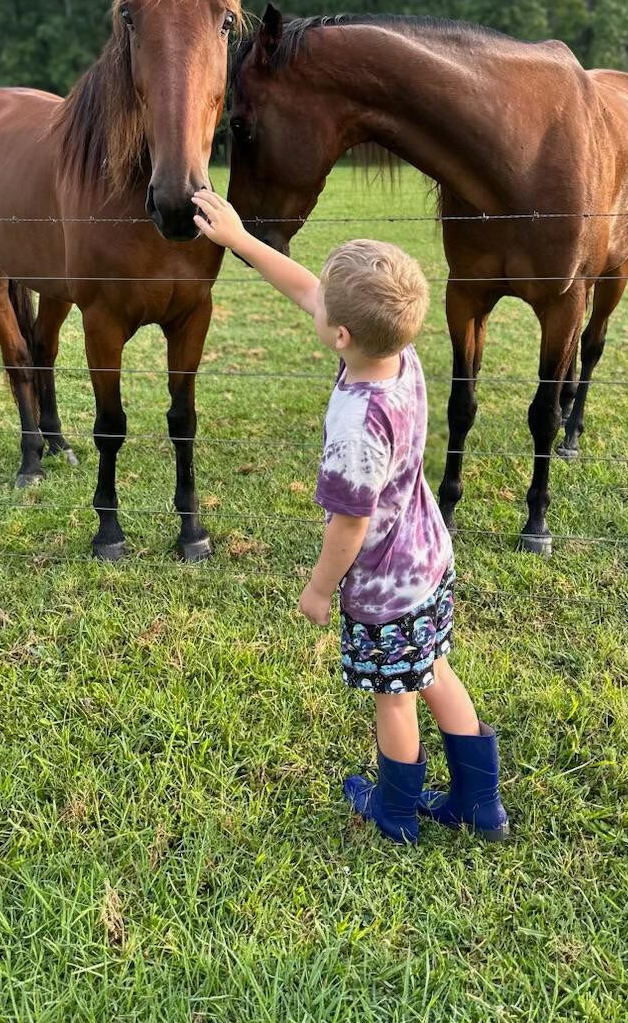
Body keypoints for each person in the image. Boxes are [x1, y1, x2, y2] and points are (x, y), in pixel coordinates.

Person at [192, 189, 509, 845]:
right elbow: (311, 289)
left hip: (386, 585)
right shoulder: (400, 354)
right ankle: (481, 806)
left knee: (395, 695)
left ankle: (395, 813)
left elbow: (349, 526)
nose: (315, 304)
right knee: (436, 672)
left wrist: (317, 589)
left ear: (341, 336)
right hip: (429, 559)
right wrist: (239, 238)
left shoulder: (356, 423)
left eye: (327, 312)